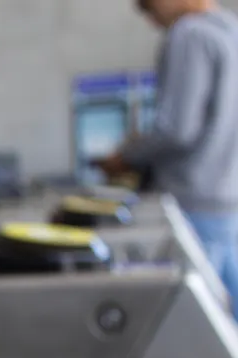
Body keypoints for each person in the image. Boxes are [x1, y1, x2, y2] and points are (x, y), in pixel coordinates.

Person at [99, 0, 238, 317]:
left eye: (149, 6)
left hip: (192, 199)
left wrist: (126, 156)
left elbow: (177, 128)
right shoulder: (231, 29)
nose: (151, 19)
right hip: (228, 196)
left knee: (199, 322)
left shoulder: (189, 34)